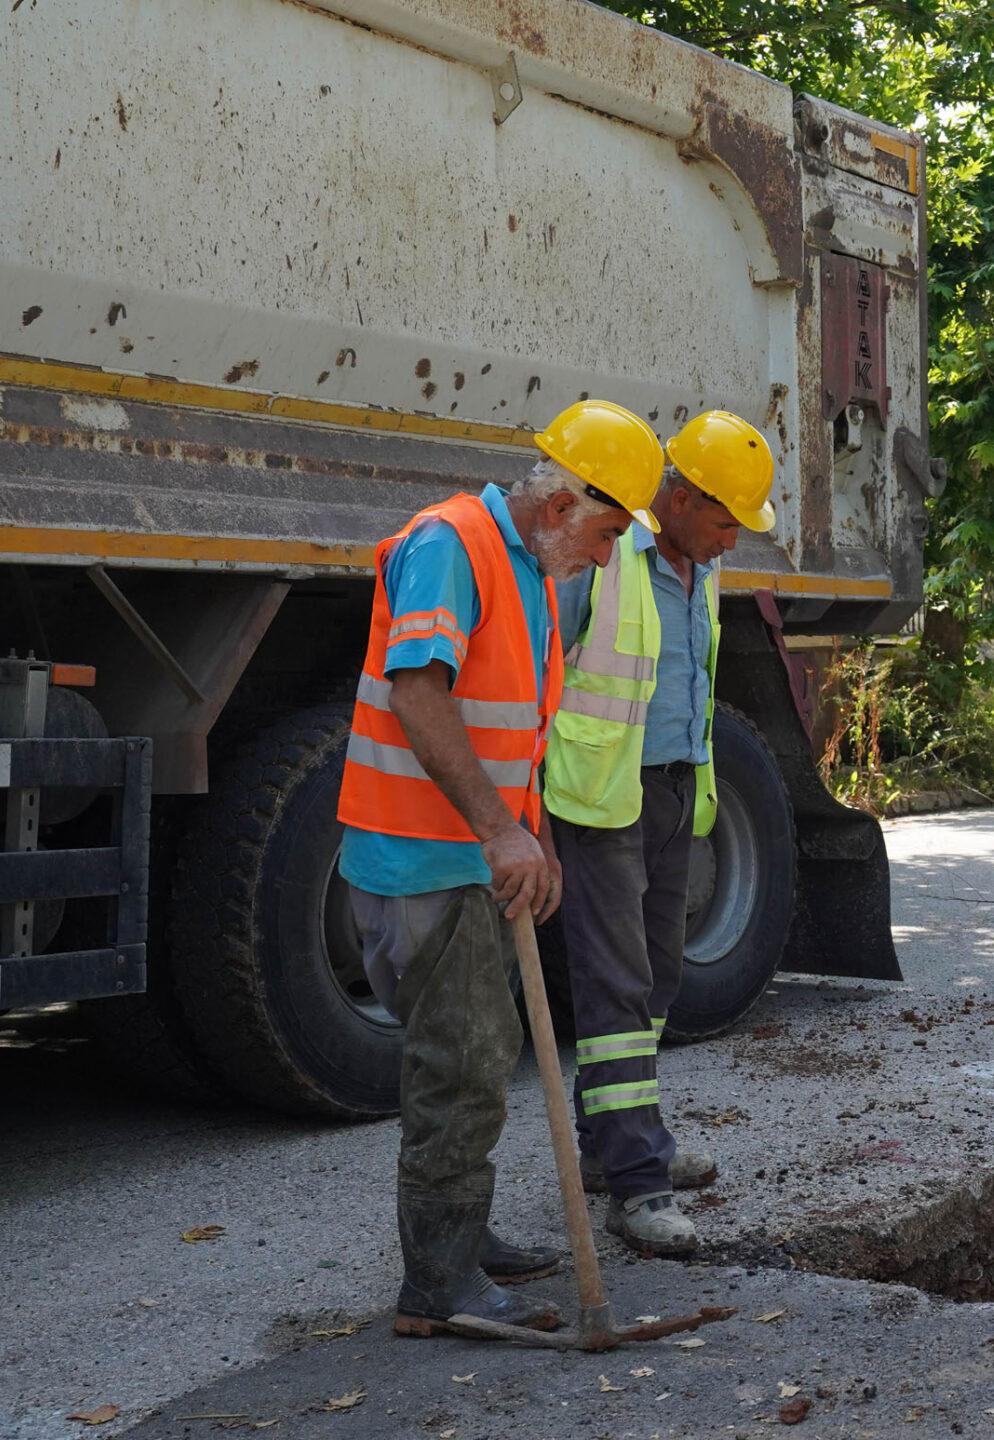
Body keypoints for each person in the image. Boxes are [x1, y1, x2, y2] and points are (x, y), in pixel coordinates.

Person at [336, 399, 660, 1338]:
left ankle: (461, 1238)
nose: (607, 558)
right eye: (606, 533)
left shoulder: (523, 569)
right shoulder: (451, 544)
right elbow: (419, 693)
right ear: (562, 505)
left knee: (481, 1054)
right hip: (420, 859)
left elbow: (512, 725)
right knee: (462, 1065)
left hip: (468, 856)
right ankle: (435, 1285)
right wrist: (499, 831)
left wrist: (534, 835)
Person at [544, 410, 777, 1257]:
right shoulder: (606, 557)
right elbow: (543, 671)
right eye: (724, 521)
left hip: (676, 789)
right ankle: (637, 1185)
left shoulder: (699, 569)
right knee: (615, 986)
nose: (732, 540)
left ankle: (615, 1146)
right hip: (604, 795)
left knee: (656, 977)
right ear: (677, 499)